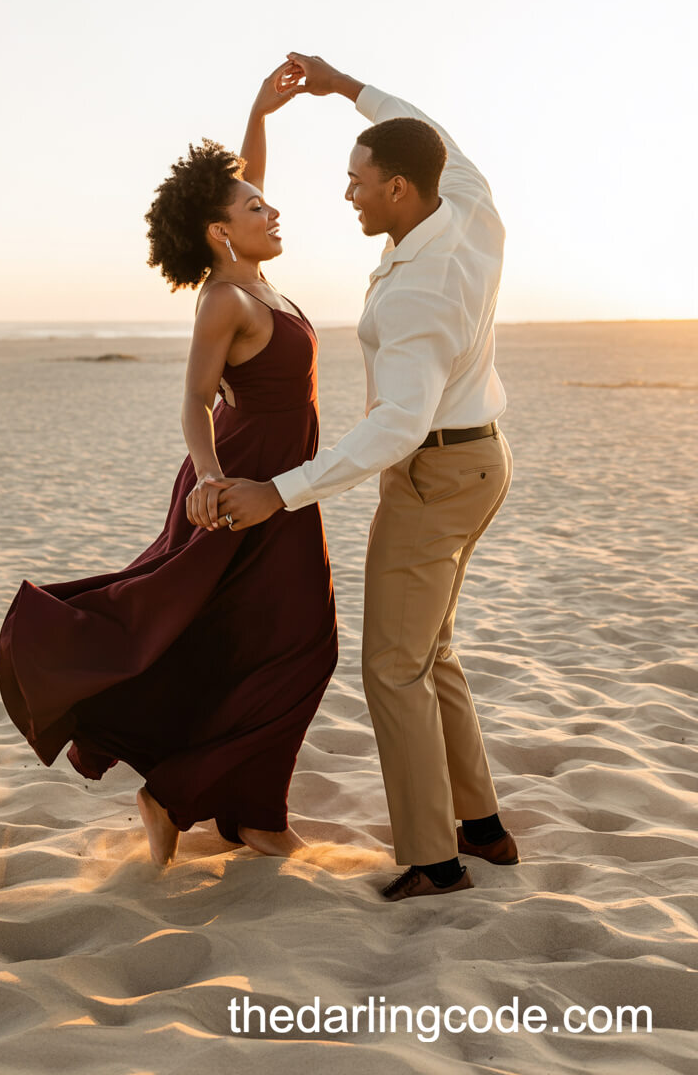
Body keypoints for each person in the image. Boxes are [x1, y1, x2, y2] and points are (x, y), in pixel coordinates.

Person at [0, 64, 338, 866]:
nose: (272, 209)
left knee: (265, 645)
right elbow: (193, 399)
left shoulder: (257, 276)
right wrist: (210, 477)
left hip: (284, 486)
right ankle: (183, 796)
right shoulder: (226, 299)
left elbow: (244, 180)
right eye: (255, 208)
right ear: (221, 232)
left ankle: (251, 814)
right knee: (301, 646)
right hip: (240, 483)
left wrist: (260, 112)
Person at [205, 52, 517, 901]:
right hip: (480, 461)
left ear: (401, 191)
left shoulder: (421, 294)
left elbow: (397, 426)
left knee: (392, 666)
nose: (347, 193)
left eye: (359, 182)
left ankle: (433, 861)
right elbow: (432, 134)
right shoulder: (469, 204)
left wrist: (281, 491)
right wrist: (345, 88)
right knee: (431, 651)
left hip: (435, 472)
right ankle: (482, 826)